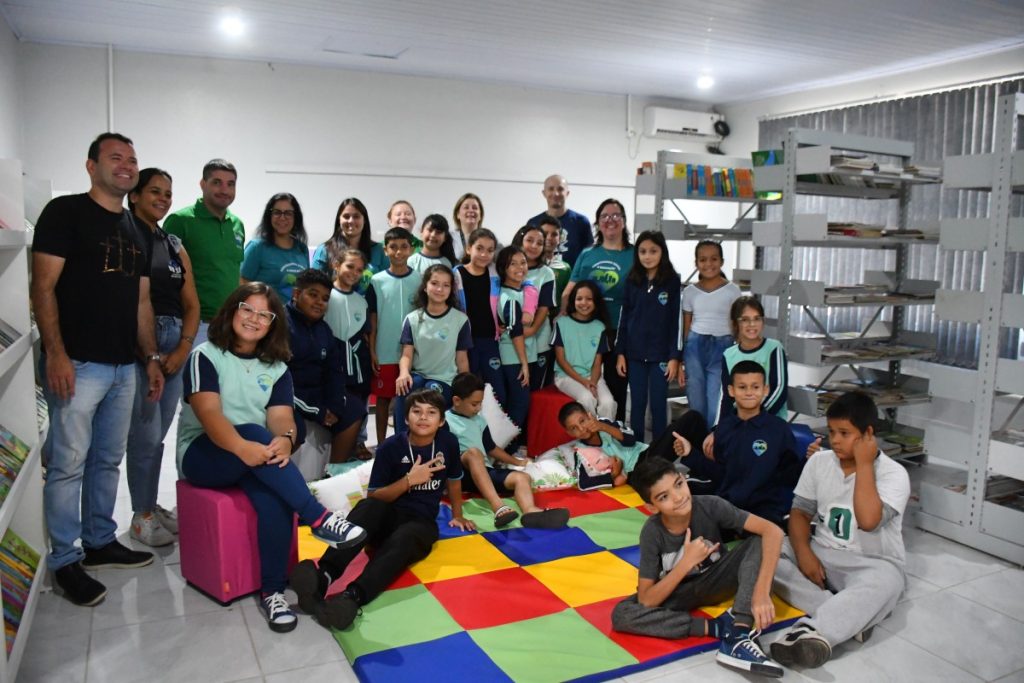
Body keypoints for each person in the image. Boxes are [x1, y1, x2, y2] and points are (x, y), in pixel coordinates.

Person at [176, 282, 367, 632]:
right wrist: (243, 447)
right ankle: (318, 517)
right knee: (253, 432)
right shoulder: (205, 355)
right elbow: (210, 415)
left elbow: (281, 418)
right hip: (204, 453)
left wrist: (285, 439)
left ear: (273, 323)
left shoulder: (276, 367)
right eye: (247, 309)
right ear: (232, 311)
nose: (254, 319)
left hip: (252, 455)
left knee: (275, 498)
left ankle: (273, 592)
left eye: (264, 315)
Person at [32, 132, 164, 606]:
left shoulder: (135, 227)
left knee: (107, 459)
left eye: (132, 159)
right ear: (91, 166)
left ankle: (99, 541)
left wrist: (150, 358)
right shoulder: (64, 213)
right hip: (78, 362)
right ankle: (65, 560)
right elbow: (43, 287)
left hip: (124, 366)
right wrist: (56, 353)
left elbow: (142, 302)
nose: (126, 165)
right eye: (115, 157)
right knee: (68, 464)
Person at [289, 389, 473, 630]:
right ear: (406, 418)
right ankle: (323, 576)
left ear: (441, 421)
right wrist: (409, 480)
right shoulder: (390, 447)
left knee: (406, 537)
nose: (423, 417)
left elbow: (455, 480)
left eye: (431, 412)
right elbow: (375, 495)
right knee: (369, 507)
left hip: (420, 523)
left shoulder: (448, 443)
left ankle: (352, 597)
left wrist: (458, 515)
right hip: (387, 516)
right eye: (416, 411)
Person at [770, 391, 910, 669]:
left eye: (844, 433)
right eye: (832, 431)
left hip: (871, 562)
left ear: (868, 434)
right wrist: (804, 553)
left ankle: (812, 631)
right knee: (767, 550)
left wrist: (865, 464)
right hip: (821, 553)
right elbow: (800, 512)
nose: (834, 440)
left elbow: (869, 521)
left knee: (888, 583)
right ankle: (852, 615)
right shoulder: (819, 461)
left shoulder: (894, 474)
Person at [611, 458, 785, 678]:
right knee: (622, 614)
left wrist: (761, 592)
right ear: (652, 507)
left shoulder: (711, 505)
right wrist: (686, 563)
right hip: (678, 593)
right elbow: (647, 600)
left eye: (678, 484)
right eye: (664, 497)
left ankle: (739, 632)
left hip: (718, 579)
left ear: (684, 479)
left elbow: (773, 531)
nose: (678, 497)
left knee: (757, 541)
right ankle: (717, 627)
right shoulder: (652, 532)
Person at [125, 167, 200, 547]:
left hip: (175, 345)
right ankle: (141, 515)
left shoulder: (172, 243)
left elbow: (192, 304)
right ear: (134, 195)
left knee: (158, 436)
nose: (163, 199)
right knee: (145, 434)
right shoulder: (124, 234)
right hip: (143, 343)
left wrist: (184, 347)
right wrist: (152, 352)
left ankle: (150, 505)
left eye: (168, 193)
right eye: (155, 191)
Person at [446, 373, 569, 528]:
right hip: (460, 475)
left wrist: (517, 462)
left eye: (480, 404)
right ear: (457, 401)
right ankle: (498, 507)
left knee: (522, 478)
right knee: (473, 453)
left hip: (484, 472)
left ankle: (530, 511)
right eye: (474, 404)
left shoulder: (479, 421)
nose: (478, 408)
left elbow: (491, 448)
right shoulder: (445, 421)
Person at [701, 361, 804, 527]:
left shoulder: (779, 429)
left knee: (762, 540)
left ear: (765, 390)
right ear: (731, 390)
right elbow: (720, 473)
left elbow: (790, 476)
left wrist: (808, 460)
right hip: (727, 507)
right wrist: (690, 454)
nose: (749, 393)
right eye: (742, 387)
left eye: (755, 387)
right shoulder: (724, 428)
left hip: (765, 511)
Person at [286, 269, 366, 477]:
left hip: (316, 394)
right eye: (313, 295)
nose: (319, 302)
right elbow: (278, 383)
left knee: (355, 409)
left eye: (325, 298)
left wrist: (335, 406)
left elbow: (335, 372)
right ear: (296, 294)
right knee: (294, 429)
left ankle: (332, 476)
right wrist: (317, 412)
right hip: (288, 397)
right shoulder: (281, 327)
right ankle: (283, 482)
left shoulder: (324, 330)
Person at [564, 199, 634, 421]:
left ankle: (615, 432)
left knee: (616, 387)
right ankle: (588, 434)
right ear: (597, 223)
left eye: (615, 215)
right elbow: (569, 291)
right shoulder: (587, 254)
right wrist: (561, 320)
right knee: (588, 385)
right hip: (586, 330)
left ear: (624, 221)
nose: (610, 220)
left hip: (619, 331)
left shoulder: (634, 255)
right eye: (604, 216)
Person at [164, 158, 244, 343]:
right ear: (202, 184)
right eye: (217, 182)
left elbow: (234, 271)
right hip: (193, 326)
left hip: (229, 325)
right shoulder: (180, 220)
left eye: (230, 184)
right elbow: (164, 275)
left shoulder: (237, 225)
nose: (224, 190)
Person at [615, 230, 682, 440]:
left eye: (653, 251)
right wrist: (620, 353)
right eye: (642, 251)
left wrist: (674, 357)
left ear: (663, 252)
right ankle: (637, 450)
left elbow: (676, 322)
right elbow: (624, 318)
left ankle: (659, 451)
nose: (647, 256)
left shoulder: (672, 281)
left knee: (658, 405)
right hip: (634, 355)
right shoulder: (632, 280)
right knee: (637, 404)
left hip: (661, 355)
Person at [393, 264, 472, 432]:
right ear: (425, 286)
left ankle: (432, 443)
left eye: (446, 285)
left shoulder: (460, 320)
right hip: (419, 375)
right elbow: (407, 354)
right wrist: (403, 373)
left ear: (451, 290)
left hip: (445, 380)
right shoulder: (412, 319)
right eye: (435, 283)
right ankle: (401, 440)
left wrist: (465, 388)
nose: (440, 289)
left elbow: (462, 358)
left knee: (430, 395)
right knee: (405, 388)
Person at [367, 227, 420, 444]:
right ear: (385, 250)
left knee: (407, 401)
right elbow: (373, 319)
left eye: (404, 247)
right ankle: (381, 445)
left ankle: (405, 443)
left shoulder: (419, 280)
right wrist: (372, 350)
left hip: (413, 353)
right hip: (385, 351)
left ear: (411, 249)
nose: (398, 252)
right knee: (383, 400)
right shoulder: (376, 281)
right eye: (393, 247)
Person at [682, 240, 741, 430]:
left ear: (722, 261)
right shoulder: (689, 292)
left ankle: (713, 437)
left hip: (723, 346)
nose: (709, 264)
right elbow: (687, 325)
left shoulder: (733, 290)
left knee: (716, 395)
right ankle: (697, 439)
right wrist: (682, 357)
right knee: (696, 395)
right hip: (695, 346)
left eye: (714, 259)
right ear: (696, 263)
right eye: (703, 259)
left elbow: (736, 323)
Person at [324, 249, 374, 461]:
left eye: (359, 270)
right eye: (350, 266)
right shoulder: (325, 295)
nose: (354, 273)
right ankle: (334, 446)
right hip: (332, 358)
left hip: (357, 360)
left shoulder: (361, 301)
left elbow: (366, 332)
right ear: (336, 265)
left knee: (359, 400)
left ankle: (358, 441)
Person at [553, 280, 616, 420]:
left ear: (596, 302)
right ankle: (590, 432)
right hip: (566, 376)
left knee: (608, 403)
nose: (584, 303)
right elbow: (561, 360)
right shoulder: (562, 323)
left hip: (592, 376)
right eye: (579, 298)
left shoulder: (600, 327)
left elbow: (597, 363)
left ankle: (605, 433)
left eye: (589, 299)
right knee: (587, 398)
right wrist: (583, 382)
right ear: (573, 300)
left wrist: (592, 382)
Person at [720, 296, 788, 420]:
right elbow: (727, 397)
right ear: (735, 323)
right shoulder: (728, 354)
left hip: (769, 420)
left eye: (757, 319)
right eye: (745, 320)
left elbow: (779, 391)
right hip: (739, 421)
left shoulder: (774, 348)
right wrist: (722, 426)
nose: (752, 324)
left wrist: (753, 420)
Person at [240, 192, 310, 301]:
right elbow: (242, 284)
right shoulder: (257, 247)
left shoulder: (302, 248)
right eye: (277, 212)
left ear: (296, 217)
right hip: (264, 311)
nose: (282, 218)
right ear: (269, 216)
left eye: (288, 213)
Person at [558, 401, 645, 488]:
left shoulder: (604, 423)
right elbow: (583, 483)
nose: (581, 429)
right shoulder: (580, 450)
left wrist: (603, 427)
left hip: (643, 453)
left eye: (582, 421)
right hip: (633, 473)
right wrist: (614, 474)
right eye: (574, 428)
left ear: (589, 415)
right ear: (569, 433)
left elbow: (631, 440)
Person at [512, 225, 557, 390]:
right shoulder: (507, 269)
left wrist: (531, 331)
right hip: (511, 340)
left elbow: (544, 308)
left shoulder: (546, 273)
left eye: (539, 243)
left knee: (534, 388)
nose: (534, 246)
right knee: (516, 387)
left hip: (539, 339)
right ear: (520, 241)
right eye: (529, 240)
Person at [312, 197, 389, 293]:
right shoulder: (324, 250)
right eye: (346, 216)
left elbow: (387, 283)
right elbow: (314, 285)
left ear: (364, 220)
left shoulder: (378, 250)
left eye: (356, 216)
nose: (351, 221)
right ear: (339, 219)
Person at [494, 246, 532, 439]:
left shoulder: (520, 291)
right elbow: (516, 332)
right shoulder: (508, 297)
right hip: (513, 358)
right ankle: (506, 447)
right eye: (513, 264)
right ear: (503, 268)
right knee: (519, 403)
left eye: (523, 262)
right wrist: (524, 363)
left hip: (518, 356)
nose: (520, 268)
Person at [527, 174, 593, 267]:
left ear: (567, 193)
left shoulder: (581, 222)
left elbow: (589, 256)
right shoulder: (533, 223)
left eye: (560, 189)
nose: (556, 193)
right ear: (544, 193)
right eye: (551, 189)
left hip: (573, 276)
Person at [539, 214, 573, 315]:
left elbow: (568, 298)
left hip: (555, 318)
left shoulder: (565, 268)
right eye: (545, 233)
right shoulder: (527, 265)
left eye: (554, 234)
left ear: (560, 239)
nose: (549, 238)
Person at [451, 192, 484, 262]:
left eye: (475, 208)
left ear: (480, 215)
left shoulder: (488, 238)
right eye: (466, 207)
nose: (471, 210)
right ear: (457, 214)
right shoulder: (449, 237)